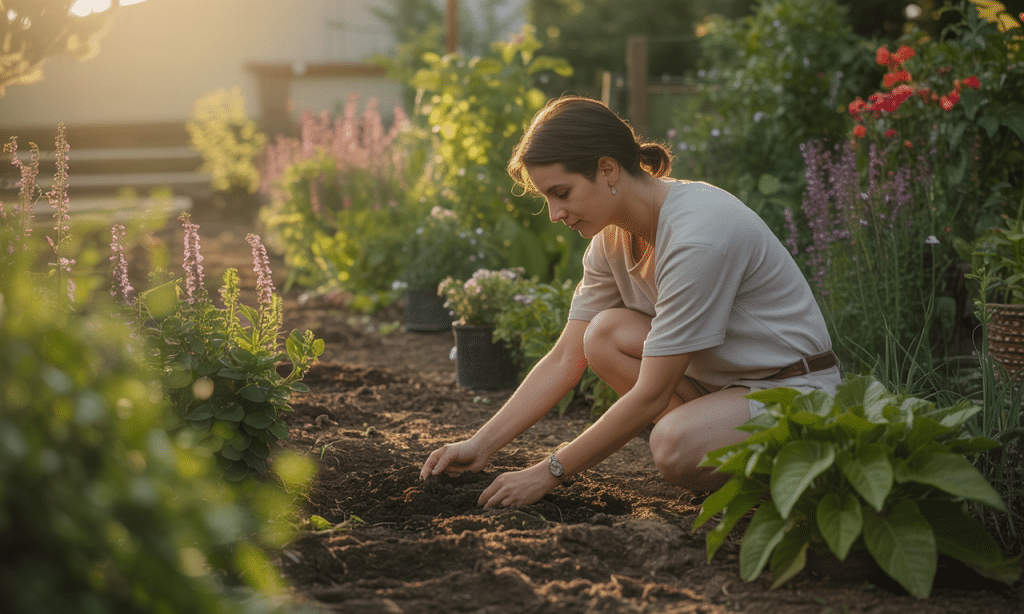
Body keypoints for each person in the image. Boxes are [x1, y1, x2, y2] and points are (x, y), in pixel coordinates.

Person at [419, 95, 841, 510]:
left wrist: (547, 472)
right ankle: (716, 439)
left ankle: (802, 472)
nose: (554, 213)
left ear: (607, 169)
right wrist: (482, 444)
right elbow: (566, 357)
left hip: (792, 391)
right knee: (603, 335)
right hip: (727, 386)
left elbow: (653, 395)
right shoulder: (611, 236)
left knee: (674, 445)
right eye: (547, 197)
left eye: (562, 192)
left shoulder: (698, 233)